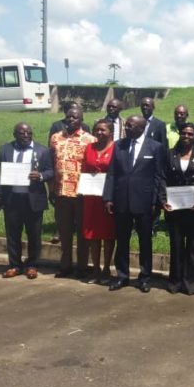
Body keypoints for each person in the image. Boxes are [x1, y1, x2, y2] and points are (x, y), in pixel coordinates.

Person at [104, 115, 166, 293]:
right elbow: (112, 173)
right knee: (122, 240)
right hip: (121, 201)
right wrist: (108, 198)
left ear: (141, 128)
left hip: (144, 202)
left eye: (130, 126)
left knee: (145, 241)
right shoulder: (119, 145)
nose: (126, 128)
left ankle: (145, 278)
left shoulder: (155, 147)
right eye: (126, 125)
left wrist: (156, 201)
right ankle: (122, 276)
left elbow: (159, 176)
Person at [0, 123, 53, 280]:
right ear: (15, 134)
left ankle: (32, 265)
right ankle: (15, 265)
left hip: (33, 199)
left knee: (34, 234)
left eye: (29, 133)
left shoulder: (42, 150)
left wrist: (40, 176)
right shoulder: (5, 149)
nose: (26, 136)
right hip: (12, 199)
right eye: (22, 133)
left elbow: (50, 171)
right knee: (13, 234)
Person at [161, 123, 194, 295]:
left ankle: (192, 283)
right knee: (176, 245)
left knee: (193, 245)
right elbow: (162, 178)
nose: (186, 136)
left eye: (190, 134)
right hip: (174, 207)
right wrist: (163, 200)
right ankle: (175, 282)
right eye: (184, 133)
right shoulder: (170, 154)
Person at [49, 106, 96, 278]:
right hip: (61, 193)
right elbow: (51, 164)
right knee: (64, 231)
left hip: (81, 193)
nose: (71, 120)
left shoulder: (90, 139)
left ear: (81, 120)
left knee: (83, 233)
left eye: (75, 117)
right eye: (68, 117)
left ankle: (82, 267)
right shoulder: (56, 138)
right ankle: (65, 266)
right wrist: (51, 189)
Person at [81, 119, 116, 284]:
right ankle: (95, 269)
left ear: (111, 132)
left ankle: (107, 269)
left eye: (103, 130)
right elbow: (84, 169)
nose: (99, 133)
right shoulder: (89, 148)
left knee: (108, 234)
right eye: (97, 130)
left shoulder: (117, 149)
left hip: (109, 198)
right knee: (93, 234)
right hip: (91, 197)